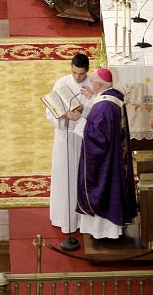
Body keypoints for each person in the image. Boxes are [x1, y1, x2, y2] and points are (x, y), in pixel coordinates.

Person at [76, 68, 138, 239]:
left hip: (105, 161)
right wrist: (91, 103)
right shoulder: (114, 97)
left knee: (103, 190)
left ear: (98, 84)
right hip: (115, 155)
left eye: (93, 83)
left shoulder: (103, 106)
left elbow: (98, 137)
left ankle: (102, 232)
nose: (91, 85)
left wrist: (79, 120)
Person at [47, 53, 91, 235]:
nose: (77, 77)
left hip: (83, 138)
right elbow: (50, 111)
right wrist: (64, 115)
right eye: (74, 73)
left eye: (81, 74)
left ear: (87, 71)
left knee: (82, 176)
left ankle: (83, 220)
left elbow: (98, 110)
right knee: (64, 175)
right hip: (64, 137)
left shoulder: (92, 85)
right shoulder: (61, 83)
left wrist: (83, 111)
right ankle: (64, 218)